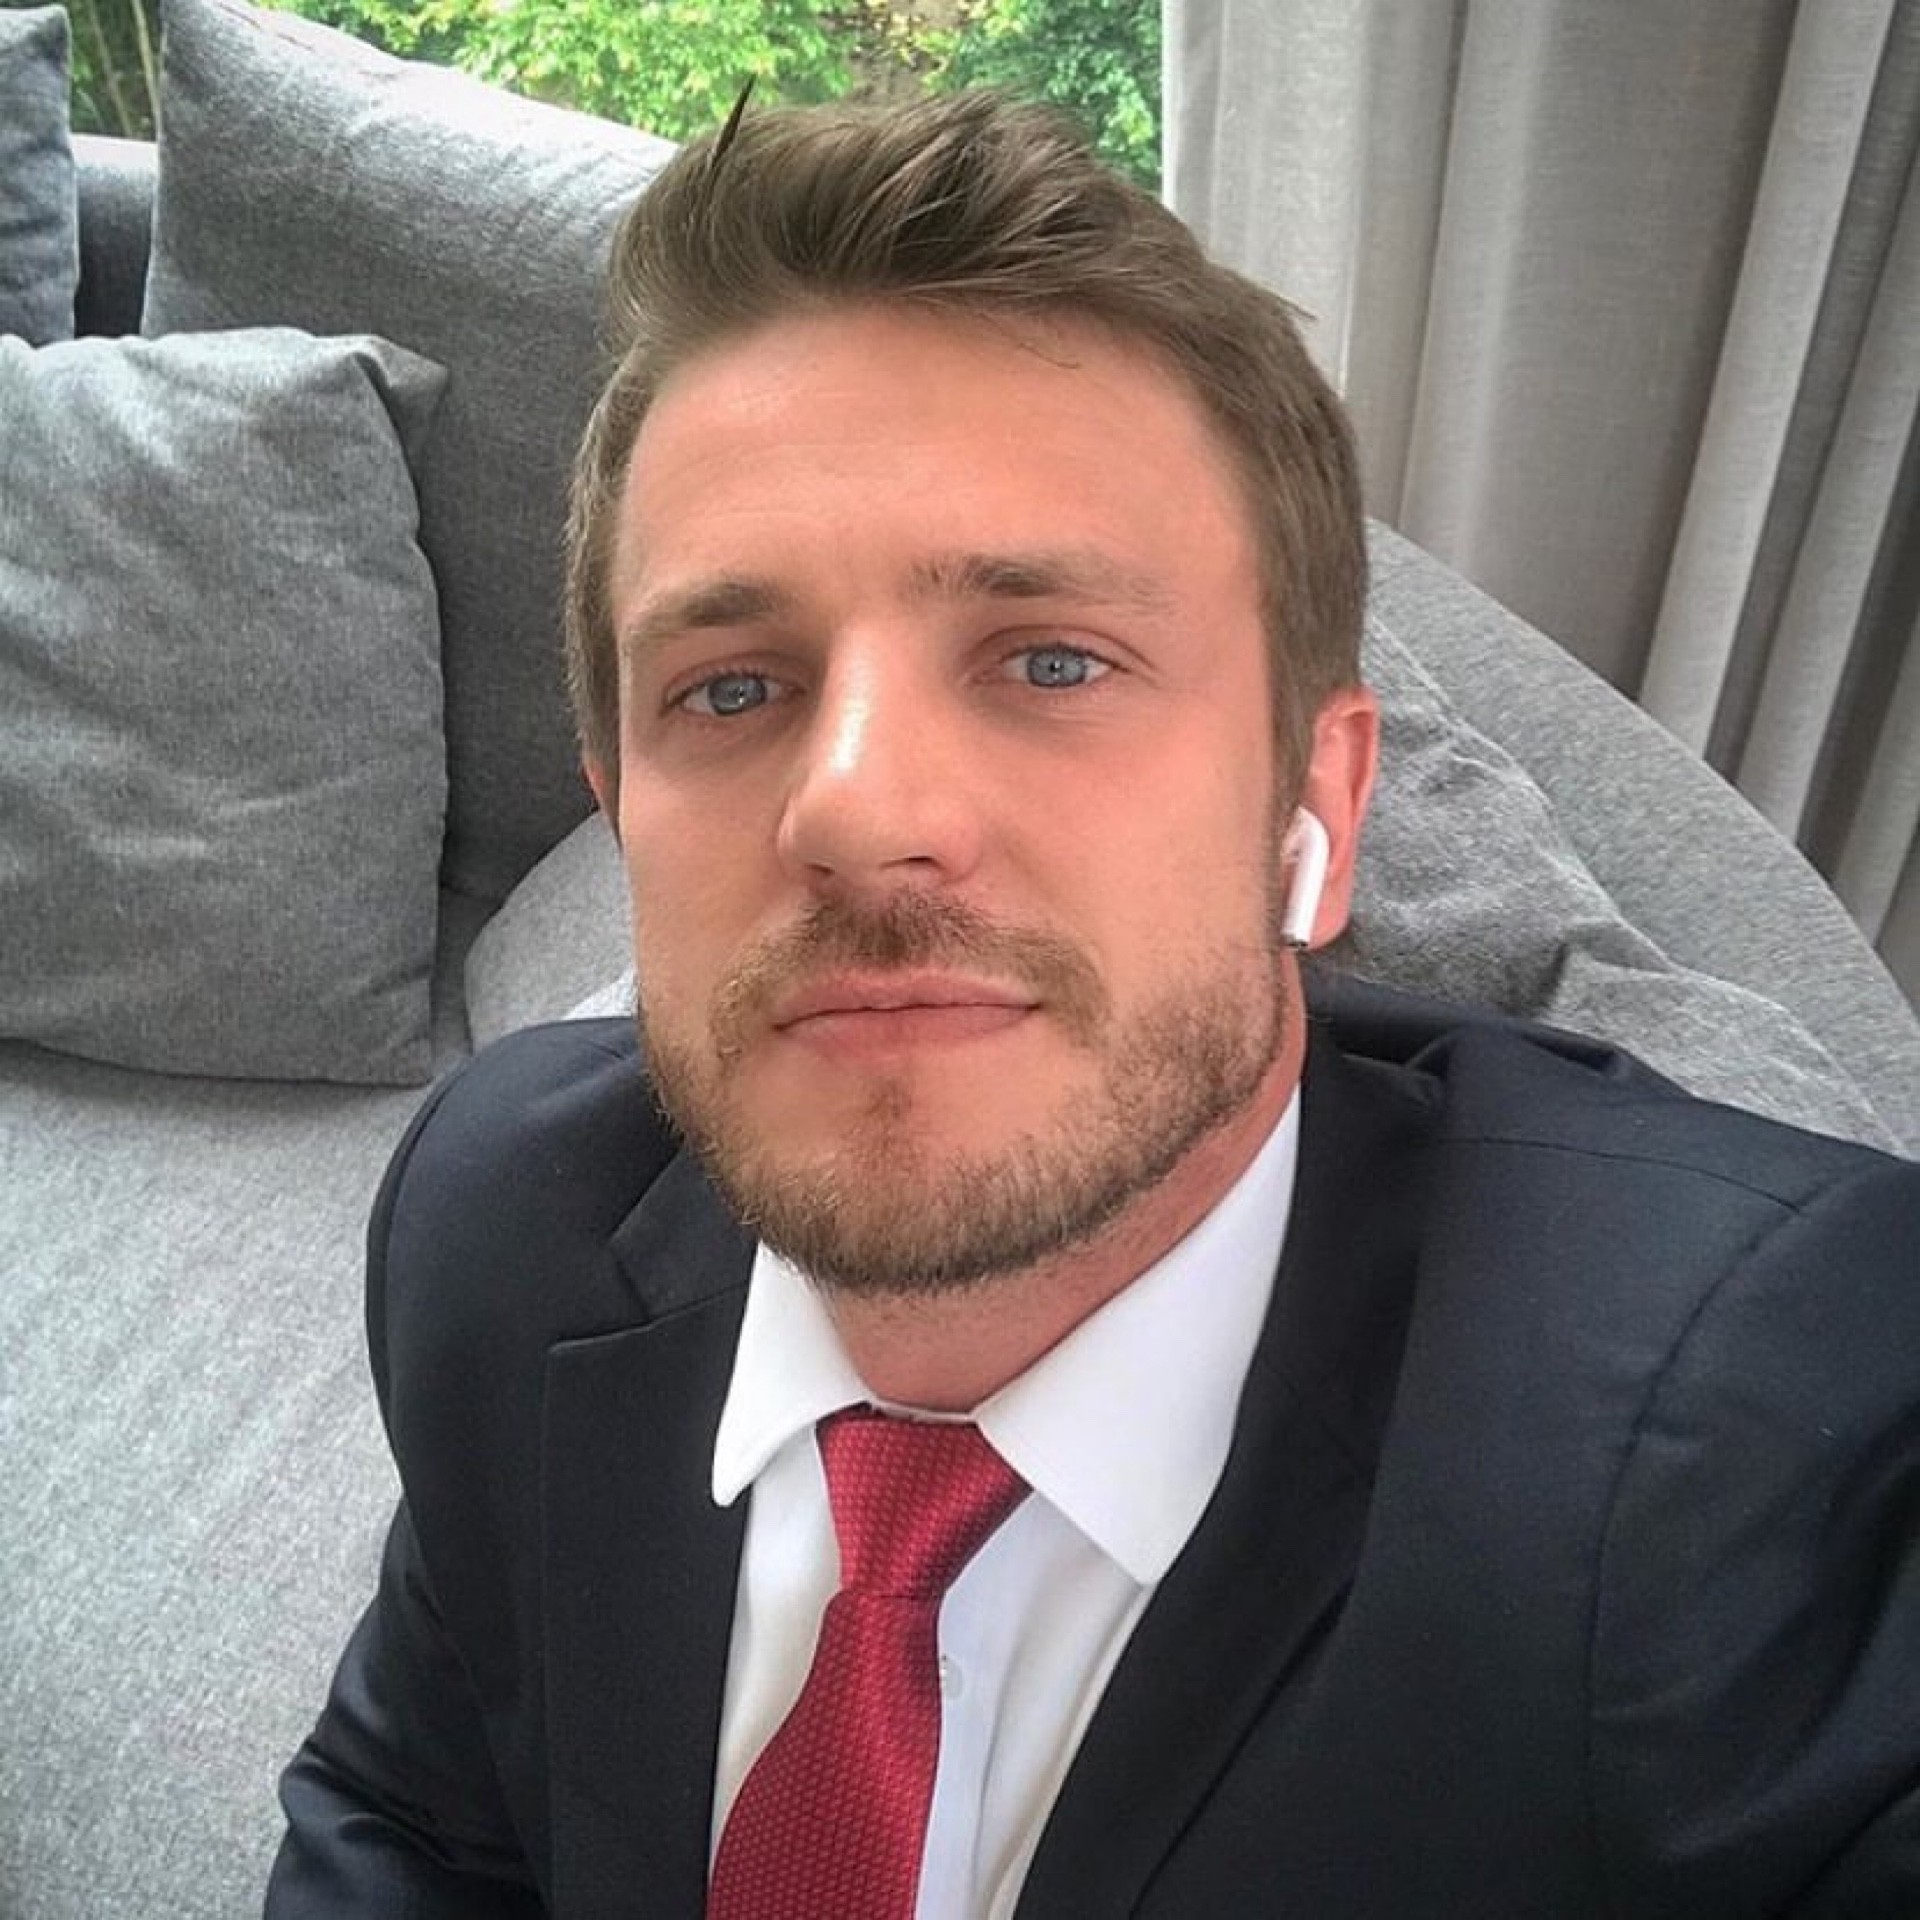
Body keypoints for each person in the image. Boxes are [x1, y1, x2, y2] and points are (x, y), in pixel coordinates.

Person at [266, 91, 1920, 1919]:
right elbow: (413, 1819)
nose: (860, 809)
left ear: (1316, 809)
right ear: (620, 806)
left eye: (1053, 659)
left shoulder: (1763, 1437)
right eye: (731, 691)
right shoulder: (503, 1219)